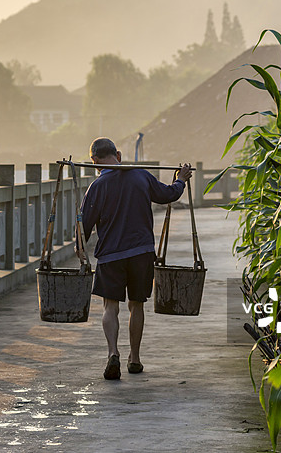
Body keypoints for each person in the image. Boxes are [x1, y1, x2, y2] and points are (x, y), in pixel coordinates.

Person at [80, 137, 191, 380]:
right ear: (118, 155)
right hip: (141, 252)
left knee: (110, 306)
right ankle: (135, 358)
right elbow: (168, 195)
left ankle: (112, 353)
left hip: (111, 255)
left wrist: (81, 252)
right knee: (136, 305)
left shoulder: (97, 187)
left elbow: (83, 226)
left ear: (95, 162)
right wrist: (180, 180)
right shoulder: (141, 176)